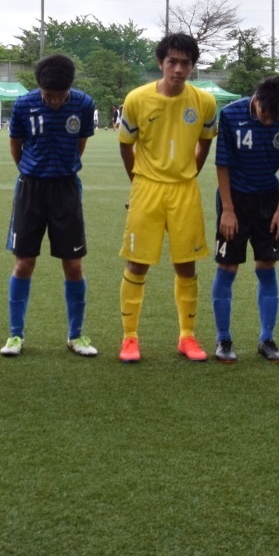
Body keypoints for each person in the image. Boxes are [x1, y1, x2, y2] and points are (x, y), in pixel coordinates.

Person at [116, 32, 218, 362]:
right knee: (138, 262)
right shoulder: (136, 99)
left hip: (184, 189)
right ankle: (129, 338)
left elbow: (206, 141)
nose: (178, 69)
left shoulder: (204, 101)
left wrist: (190, 171)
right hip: (147, 188)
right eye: (172, 62)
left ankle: (187, 337)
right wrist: (139, 180)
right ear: (160, 63)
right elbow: (125, 144)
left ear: (192, 67)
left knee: (185, 263)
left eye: (185, 63)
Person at [1, 53, 97, 357]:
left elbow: (80, 143)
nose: (54, 101)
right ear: (39, 87)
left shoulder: (83, 104)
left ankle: (76, 335)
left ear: (69, 88)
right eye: (48, 95)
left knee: (73, 264)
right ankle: (15, 336)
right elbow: (16, 145)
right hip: (31, 189)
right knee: (24, 262)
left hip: (66, 189)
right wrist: (32, 169)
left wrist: (61, 168)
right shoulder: (23, 104)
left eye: (59, 96)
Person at [211, 75, 279, 363]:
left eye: (276, 119)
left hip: (269, 200)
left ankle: (267, 339)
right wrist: (227, 209)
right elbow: (222, 164)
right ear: (256, 99)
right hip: (234, 198)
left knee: (267, 265)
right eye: (265, 115)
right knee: (228, 266)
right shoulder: (230, 115)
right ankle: (223, 340)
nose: (269, 123)